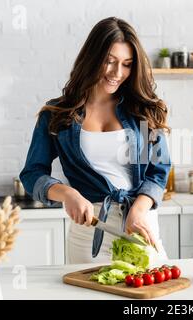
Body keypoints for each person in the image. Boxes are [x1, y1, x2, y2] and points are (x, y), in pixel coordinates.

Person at [20, 17, 170, 264]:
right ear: (92, 59)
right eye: (109, 61)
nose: (117, 73)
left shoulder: (142, 111)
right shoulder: (58, 114)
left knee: (149, 298)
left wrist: (139, 209)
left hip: (140, 226)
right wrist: (68, 193)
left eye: (126, 64)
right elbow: (32, 173)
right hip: (89, 233)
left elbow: (158, 172)